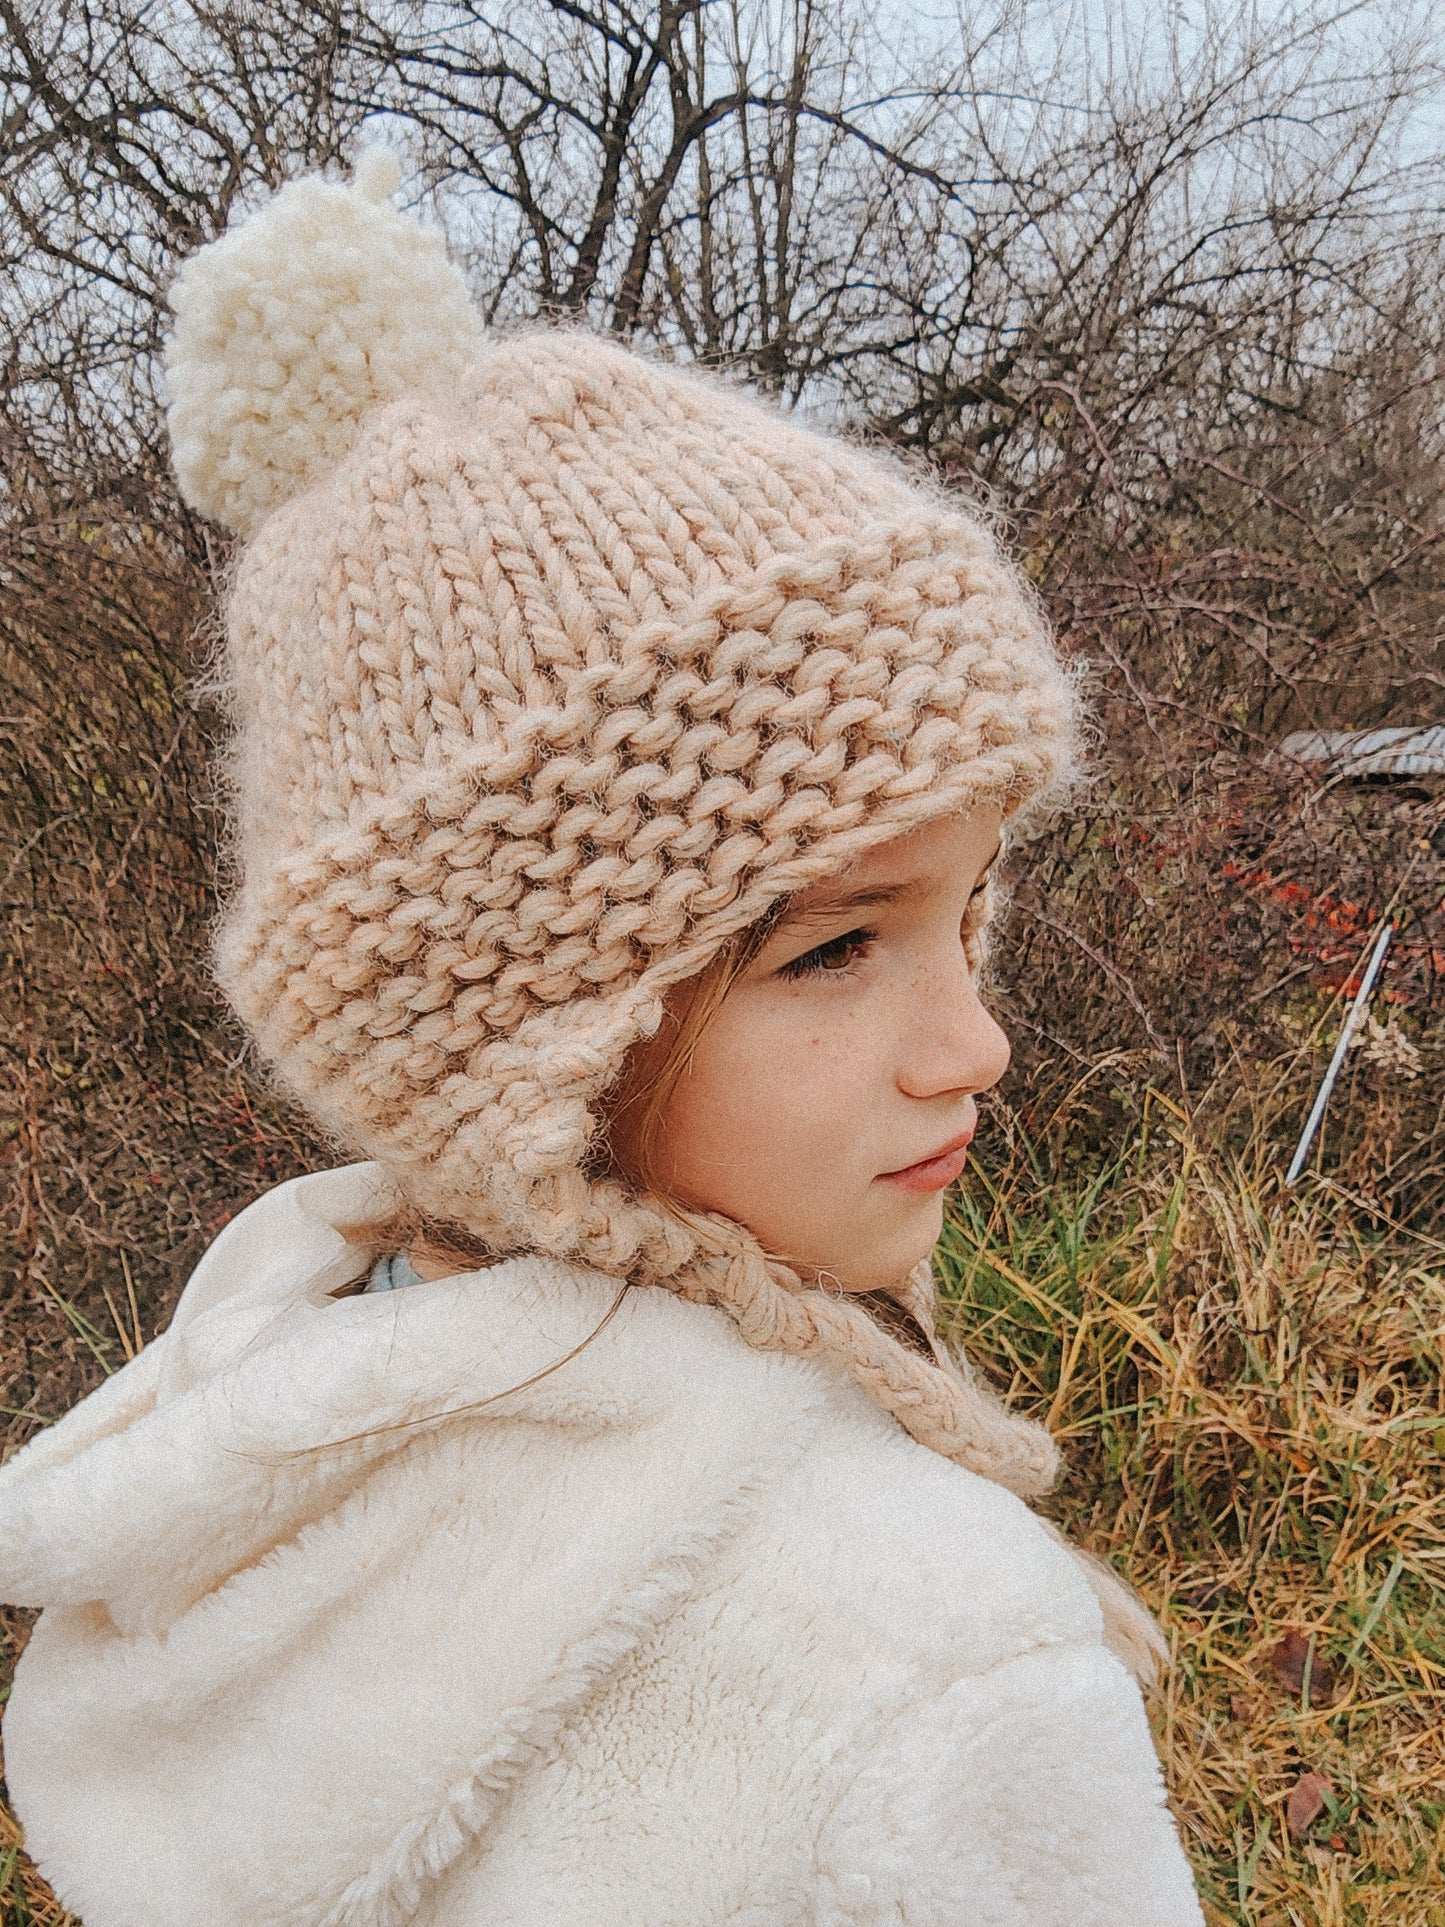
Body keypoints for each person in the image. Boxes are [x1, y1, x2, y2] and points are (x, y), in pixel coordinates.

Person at [0, 153, 1204, 1926]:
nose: (978, 1045)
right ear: (527, 1036)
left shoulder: (250, 1406)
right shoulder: (933, 1655)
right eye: (836, 947)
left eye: (967, 914)